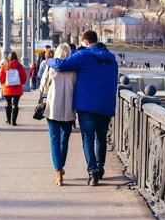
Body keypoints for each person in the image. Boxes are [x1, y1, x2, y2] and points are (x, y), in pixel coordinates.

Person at [46, 30, 118, 186]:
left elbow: (60, 64)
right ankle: (100, 168)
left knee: (88, 138)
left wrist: (48, 59)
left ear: (84, 42)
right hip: (106, 104)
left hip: (86, 105)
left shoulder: (83, 55)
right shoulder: (112, 59)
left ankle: (92, 173)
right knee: (101, 138)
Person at [43, 43, 76, 186]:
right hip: (68, 110)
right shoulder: (74, 71)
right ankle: (60, 167)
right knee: (64, 141)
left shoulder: (50, 68)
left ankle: (58, 172)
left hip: (52, 110)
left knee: (54, 141)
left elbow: (43, 88)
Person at [0, 51, 27, 126]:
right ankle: (14, 121)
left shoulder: (5, 66)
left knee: (8, 104)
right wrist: (21, 83)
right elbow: (24, 77)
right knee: (15, 104)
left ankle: (8, 120)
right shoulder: (20, 66)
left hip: (7, 89)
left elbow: (1, 78)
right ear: (16, 57)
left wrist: (3, 84)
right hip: (17, 89)